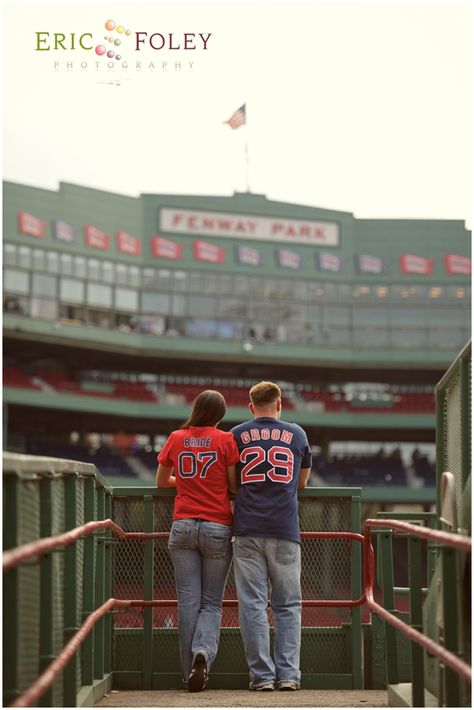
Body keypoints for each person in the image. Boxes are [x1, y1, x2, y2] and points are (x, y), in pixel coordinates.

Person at [228, 381, 312, 692]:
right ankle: (288, 675)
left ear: (251, 407)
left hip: (247, 527)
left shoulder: (236, 434)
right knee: (288, 605)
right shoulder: (298, 433)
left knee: (252, 604)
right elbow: (301, 483)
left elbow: (233, 484)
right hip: (284, 527)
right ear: (280, 404)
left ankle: (261, 677)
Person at [156, 390, 239, 692]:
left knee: (187, 603)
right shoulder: (225, 440)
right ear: (219, 415)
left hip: (183, 525)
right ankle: (202, 655)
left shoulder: (177, 437)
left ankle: (186, 672)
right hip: (217, 525)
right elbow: (232, 485)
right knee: (211, 604)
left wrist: (185, 483)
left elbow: (162, 481)